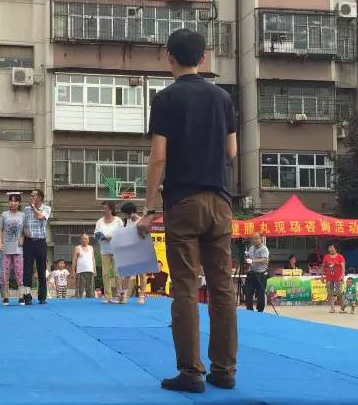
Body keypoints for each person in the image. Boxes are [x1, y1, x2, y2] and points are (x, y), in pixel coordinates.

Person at [136, 29, 238, 392]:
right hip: (220, 202)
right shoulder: (222, 97)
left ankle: (191, 372)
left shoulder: (166, 98)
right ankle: (224, 370)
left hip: (182, 202)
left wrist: (149, 209)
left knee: (185, 287)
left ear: (169, 57)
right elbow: (231, 152)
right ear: (203, 58)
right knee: (222, 286)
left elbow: (158, 157)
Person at [23, 189, 52, 305]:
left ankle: (42, 297)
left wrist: (33, 206)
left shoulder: (46, 208)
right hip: (29, 242)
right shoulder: (26, 209)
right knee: (27, 270)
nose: (30, 197)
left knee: (41, 269)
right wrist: (24, 231)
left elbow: (40, 216)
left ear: (39, 197)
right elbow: (24, 224)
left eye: (33, 195)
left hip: (40, 242)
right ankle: (27, 296)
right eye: (30, 195)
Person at [0, 193, 26, 306]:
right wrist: (0, 243)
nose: (13, 203)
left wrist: (23, 238)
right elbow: (0, 229)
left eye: (16, 201)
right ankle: (5, 297)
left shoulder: (23, 215)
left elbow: (25, 230)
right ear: (8, 202)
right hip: (6, 248)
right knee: (5, 274)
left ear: (19, 203)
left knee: (20, 273)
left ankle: (21, 296)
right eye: (11, 200)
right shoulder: (4, 214)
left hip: (18, 249)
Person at [95, 201, 124, 304]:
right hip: (105, 251)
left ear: (111, 209)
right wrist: (102, 237)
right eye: (102, 208)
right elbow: (96, 235)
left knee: (117, 273)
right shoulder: (99, 222)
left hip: (117, 250)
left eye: (105, 208)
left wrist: (112, 237)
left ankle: (120, 296)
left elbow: (122, 234)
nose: (103, 210)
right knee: (105, 274)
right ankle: (108, 297)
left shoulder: (118, 220)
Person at [121, 202, 147, 304]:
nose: (126, 216)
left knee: (142, 274)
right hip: (129, 251)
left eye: (127, 214)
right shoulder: (126, 222)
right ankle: (124, 296)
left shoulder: (142, 220)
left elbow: (145, 236)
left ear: (132, 212)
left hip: (140, 250)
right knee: (127, 274)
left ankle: (142, 296)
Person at [245, 233, 270, 313]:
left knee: (260, 294)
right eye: (253, 239)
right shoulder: (251, 248)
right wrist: (246, 257)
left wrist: (253, 261)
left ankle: (260, 310)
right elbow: (249, 258)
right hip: (251, 272)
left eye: (256, 238)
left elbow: (264, 260)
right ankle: (249, 310)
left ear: (261, 239)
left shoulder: (264, 249)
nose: (254, 240)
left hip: (261, 274)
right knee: (248, 292)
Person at [322, 244, 346, 314]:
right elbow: (323, 266)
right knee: (330, 293)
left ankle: (342, 308)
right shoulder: (326, 257)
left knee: (339, 292)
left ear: (336, 249)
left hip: (338, 278)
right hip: (329, 277)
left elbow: (343, 267)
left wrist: (342, 276)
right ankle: (332, 308)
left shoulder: (340, 256)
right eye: (329, 248)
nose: (330, 249)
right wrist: (322, 275)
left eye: (332, 248)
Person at [72, 234, 95, 299]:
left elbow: (93, 259)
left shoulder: (91, 248)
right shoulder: (77, 248)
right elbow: (74, 259)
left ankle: (90, 302)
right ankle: (78, 301)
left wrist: (94, 270)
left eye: (86, 239)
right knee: (79, 289)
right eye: (83, 238)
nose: (85, 240)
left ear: (88, 240)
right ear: (80, 240)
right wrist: (73, 270)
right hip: (80, 271)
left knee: (90, 289)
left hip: (90, 271)